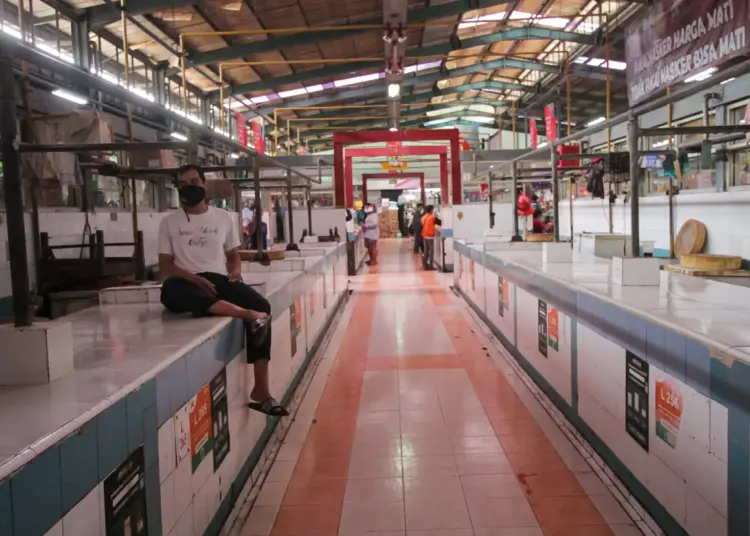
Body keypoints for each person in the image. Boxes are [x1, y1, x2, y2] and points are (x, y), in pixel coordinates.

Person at [158, 165, 288, 417]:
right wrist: (193, 278)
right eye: (183, 183)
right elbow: (165, 264)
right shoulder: (169, 222)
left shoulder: (223, 218)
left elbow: (232, 255)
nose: (189, 186)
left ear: (205, 184)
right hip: (184, 281)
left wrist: (236, 270)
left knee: (264, 306)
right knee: (172, 293)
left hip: (218, 280)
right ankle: (246, 315)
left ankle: (261, 391)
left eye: (194, 181)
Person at [421, 205, 437, 270]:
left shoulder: (423, 217)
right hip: (430, 236)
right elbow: (440, 223)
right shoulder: (432, 217)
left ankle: (425, 266)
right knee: (431, 251)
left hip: (424, 235)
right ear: (431, 210)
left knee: (426, 250)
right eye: (433, 209)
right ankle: (431, 266)